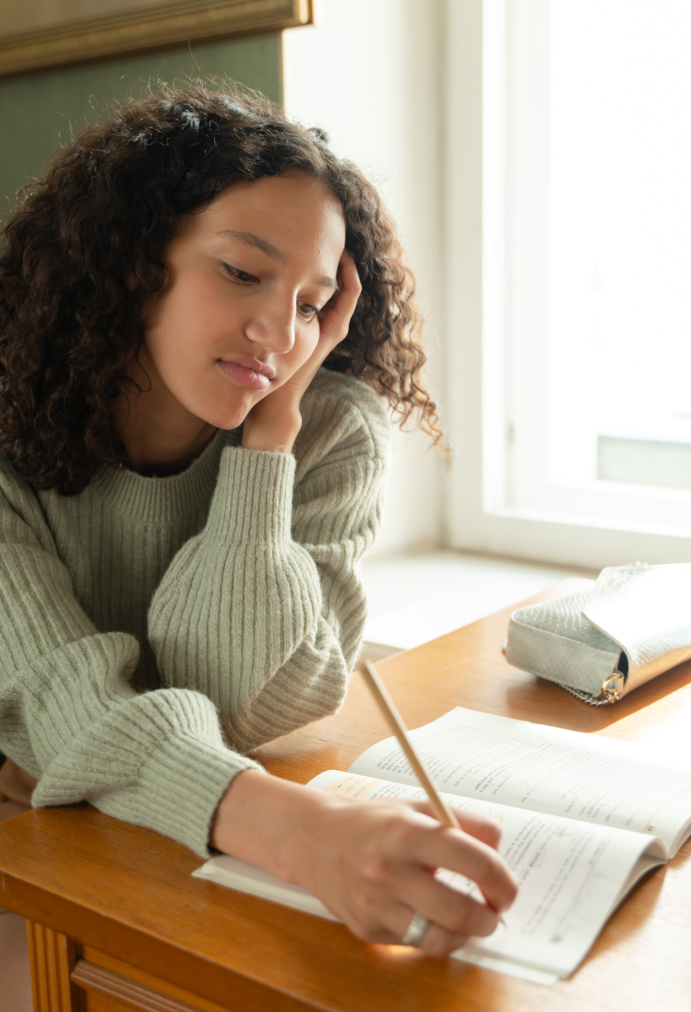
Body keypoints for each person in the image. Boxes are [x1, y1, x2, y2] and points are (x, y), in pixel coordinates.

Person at [0, 85, 517, 956]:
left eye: (314, 304)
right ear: (130, 259)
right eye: (241, 272)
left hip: (139, 834)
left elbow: (237, 703)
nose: (280, 334)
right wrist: (306, 836)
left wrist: (265, 446)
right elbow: (60, 700)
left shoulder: (327, 429)